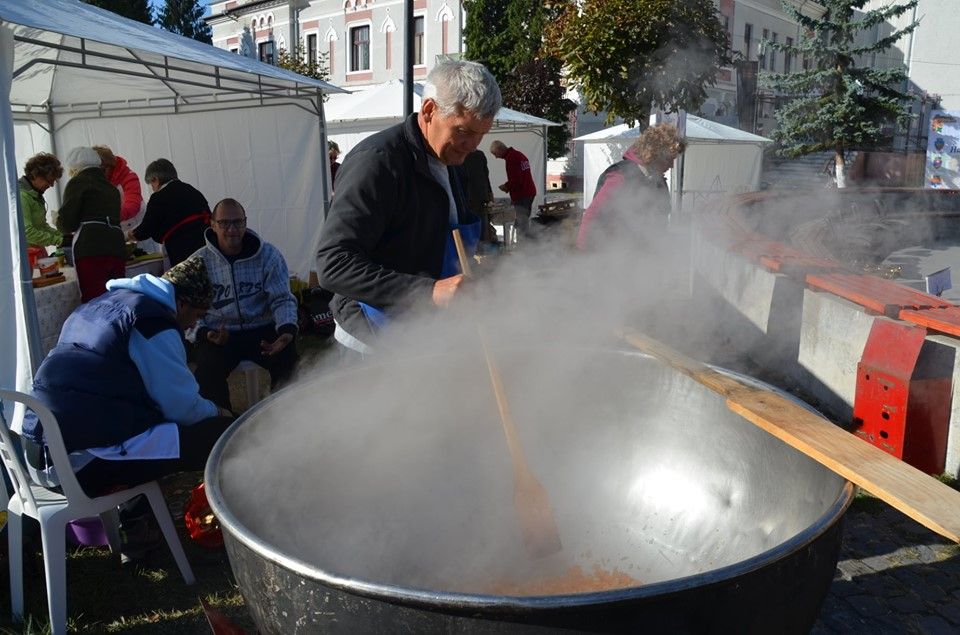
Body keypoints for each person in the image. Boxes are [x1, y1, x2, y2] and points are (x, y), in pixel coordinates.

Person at [19, 256, 234, 560]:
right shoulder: (152, 323)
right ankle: (237, 525)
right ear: (181, 303)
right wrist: (221, 415)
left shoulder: (101, 305)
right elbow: (183, 408)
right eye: (197, 314)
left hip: (37, 454)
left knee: (153, 431)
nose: (195, 324)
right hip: (77, 465)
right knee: (221, 437)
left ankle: (138, 527)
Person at [316, 59, 502, 355]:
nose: (473, 145)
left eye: (481, 134)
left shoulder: (454, 162)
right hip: (371, 342)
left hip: (423, 336)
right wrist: (429, 291)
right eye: (464, 131)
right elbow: (333, 263)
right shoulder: (377, 162)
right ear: (429, 110)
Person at [192, 198, 299, 410]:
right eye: (224, 223)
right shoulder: (199, 262)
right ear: (212, 225)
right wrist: (204, 333)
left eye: (238, 222)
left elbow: (282, 298)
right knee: (207, 371)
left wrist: (287, 330)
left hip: (261, 328)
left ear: (245, 223)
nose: (232, 229)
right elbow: (188, 310)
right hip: (219, 334)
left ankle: (286, 420)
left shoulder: (268, 255)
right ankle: (221, 425)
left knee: (288, 360)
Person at [576, 123, 685, 251]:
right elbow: (592, 216)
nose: (671, 165)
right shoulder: (620, 176)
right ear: (654, 154)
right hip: (612, 256)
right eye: (668, 159)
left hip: (642, 257)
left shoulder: (658, 180)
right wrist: (582, 255)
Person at [57, 146, 125, 302]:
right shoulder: (111, 188)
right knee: (118, 298)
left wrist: (57, 220)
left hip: (91, 247)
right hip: (116, 245)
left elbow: (67, 224)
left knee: (94, 300)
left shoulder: (77, 183)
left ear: (74, 167)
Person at [130, 158, 210, 267]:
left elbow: (145, 229)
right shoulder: (192, 190)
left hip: (181, 249)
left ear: (155, 179)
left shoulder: (158, 197)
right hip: (205, 245)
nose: (153, 188)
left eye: (151, 184)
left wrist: (129, 235)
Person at [489, 140, 537, 239]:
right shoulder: (519, 154)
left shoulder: (512, 158)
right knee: (522, 221)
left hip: (523, 194)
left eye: (495, 154)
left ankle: (524, 246)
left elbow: (516, 180)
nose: (496, 157)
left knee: (521, 223)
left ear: (500, 149)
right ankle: (527, 244)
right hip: (528, 192)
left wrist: (506, 186)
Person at [18, 152, 64, 250]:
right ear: (36, 175)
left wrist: (62, 236)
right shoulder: (22, 197)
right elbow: (27, 232)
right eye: (49, 180)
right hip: (27, 254)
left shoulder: (35, 194)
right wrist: (58, 240)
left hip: (36, 251)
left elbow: (42, 226)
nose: (51, 185)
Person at [93, 145, 143, 223]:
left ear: (110, 164)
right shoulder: (96, 181)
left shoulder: (129, 176)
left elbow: (133, 206)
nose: (97, 174)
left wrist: (107, 216)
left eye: (101, 169)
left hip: (136, 224)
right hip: (115, 226)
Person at [463, 149, 497, 246]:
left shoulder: (473, 155)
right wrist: (490, 195)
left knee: (475, 231)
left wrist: (489, 194)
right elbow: (486, 177)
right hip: (478, 198)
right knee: (480, 229)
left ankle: (479, 250)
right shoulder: (479, 154)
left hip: (472, 199)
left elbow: (485, 176)